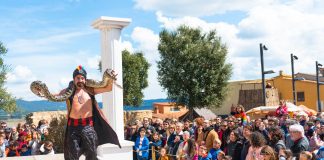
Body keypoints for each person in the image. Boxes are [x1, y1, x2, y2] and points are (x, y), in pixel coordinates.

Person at [52, 66, 121, 160]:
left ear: (85, 79)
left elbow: (108, 88)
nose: (80, 80)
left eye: (82, 78)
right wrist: (42, 92)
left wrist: (109, 78)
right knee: (73, 154)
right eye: (78, 78)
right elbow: (54, 96)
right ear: (74, 79)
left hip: (88, 126)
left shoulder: (91, 90)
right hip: (73, 128)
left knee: (92, 153)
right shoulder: (68, 92)